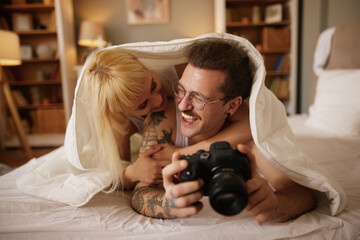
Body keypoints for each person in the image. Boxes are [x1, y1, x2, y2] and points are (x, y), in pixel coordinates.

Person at [131, 39, 316, 222]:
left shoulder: (250, 141)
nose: (182, 105)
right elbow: (140, 193)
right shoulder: (164, 119)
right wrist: (169, 204)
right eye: (181, 90)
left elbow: (302, 194)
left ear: (232, 105)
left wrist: (275, 205)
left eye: (198, 98)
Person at [79, 46, 252, 193]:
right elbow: (117, 178)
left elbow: (250, 124)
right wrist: (133, 172)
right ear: (123, 111)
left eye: (153, 86)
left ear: (141, 64)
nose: (159, 100)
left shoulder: (185, 73)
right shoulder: (119, 120)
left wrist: (181, 153)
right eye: (143, 105)